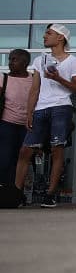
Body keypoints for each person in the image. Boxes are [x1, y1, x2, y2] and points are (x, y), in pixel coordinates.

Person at [14, 24, 76, 208]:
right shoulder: (40, 60)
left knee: (57, 148)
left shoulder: (72, 61)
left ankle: (51, 194)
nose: (45, 36)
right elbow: (35, 88)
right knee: (25, 150)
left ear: (60, 37)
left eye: (49, 33)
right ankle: (16, 193)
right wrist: (29, 112)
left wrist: (58, 78)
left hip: (61, 107)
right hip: (40, 108)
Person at [0, 49, 32, 185]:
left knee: (21, 160)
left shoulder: (33, 79)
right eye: (9, 59)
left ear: (24, 62)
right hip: (7, 123)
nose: (10, 63)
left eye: (14, 59)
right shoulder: (3, 78)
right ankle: (4, 188)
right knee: (5, 158)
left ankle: (16, 192)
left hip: (27, 126)